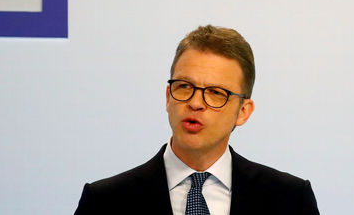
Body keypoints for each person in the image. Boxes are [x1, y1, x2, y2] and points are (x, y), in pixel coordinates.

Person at [74, 24, 320, 215]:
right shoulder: (105, 202)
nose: (195, 102)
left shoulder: (289, 200)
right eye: (184, 86)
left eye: (215, 93)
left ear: (243, 111)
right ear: (168, 97)